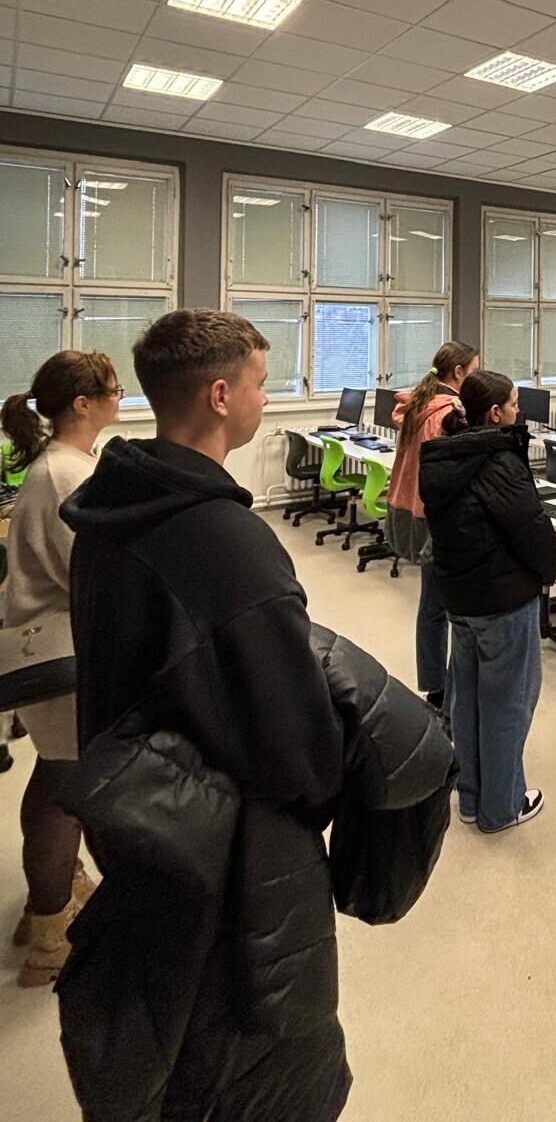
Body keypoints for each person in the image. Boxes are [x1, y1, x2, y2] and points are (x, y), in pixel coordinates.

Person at [59, 310, 352, 1119]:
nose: (268, 396)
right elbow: (298, 746)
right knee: (247, 1072)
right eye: (260, 382)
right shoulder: (228, 542)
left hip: (143, 827)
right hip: (227, 862)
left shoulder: (108, 510)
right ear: (221, 396)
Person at [0, 351, 120, 986]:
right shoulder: (66, 474)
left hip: (52, 648)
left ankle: (45, 905)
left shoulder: (63, 465)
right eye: (112, 390)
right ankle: (51, 935)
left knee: (54, 780)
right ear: (83, 403)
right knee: (66, 793)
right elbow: (92, 574)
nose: (119, 398)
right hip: (63, 656)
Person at [419, 371, 556, 833]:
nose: (520, 411)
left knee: (467, 700)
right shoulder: (498, 461)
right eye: (515, 404)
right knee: (507, 703)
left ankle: (470, 797)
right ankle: (502, 808)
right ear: (496, 413)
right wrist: (550, 569)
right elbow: (530, 530)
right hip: (502, 601)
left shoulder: (442, 456)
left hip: (459, 599)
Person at [386, 341, 478, 712]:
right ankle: (449, 694)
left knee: (431, 605)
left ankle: (435, 686)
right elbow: (447, 475)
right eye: (474, 372)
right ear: (458, 373)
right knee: (452, 610)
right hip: (438, 517)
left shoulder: (417, 405)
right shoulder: (446, 413)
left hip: (413, 509)